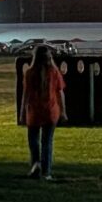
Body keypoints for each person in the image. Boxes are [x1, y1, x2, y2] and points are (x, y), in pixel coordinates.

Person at [20, 41, 65, 181]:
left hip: (34, 111)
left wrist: (22, 113)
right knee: (47, 142)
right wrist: (63, 111)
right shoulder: (54, 72)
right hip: (51, 111)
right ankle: (47, 172)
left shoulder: (29, 73)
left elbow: (25, 94)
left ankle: (36, 165)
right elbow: (60, 92)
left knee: (33, 142)